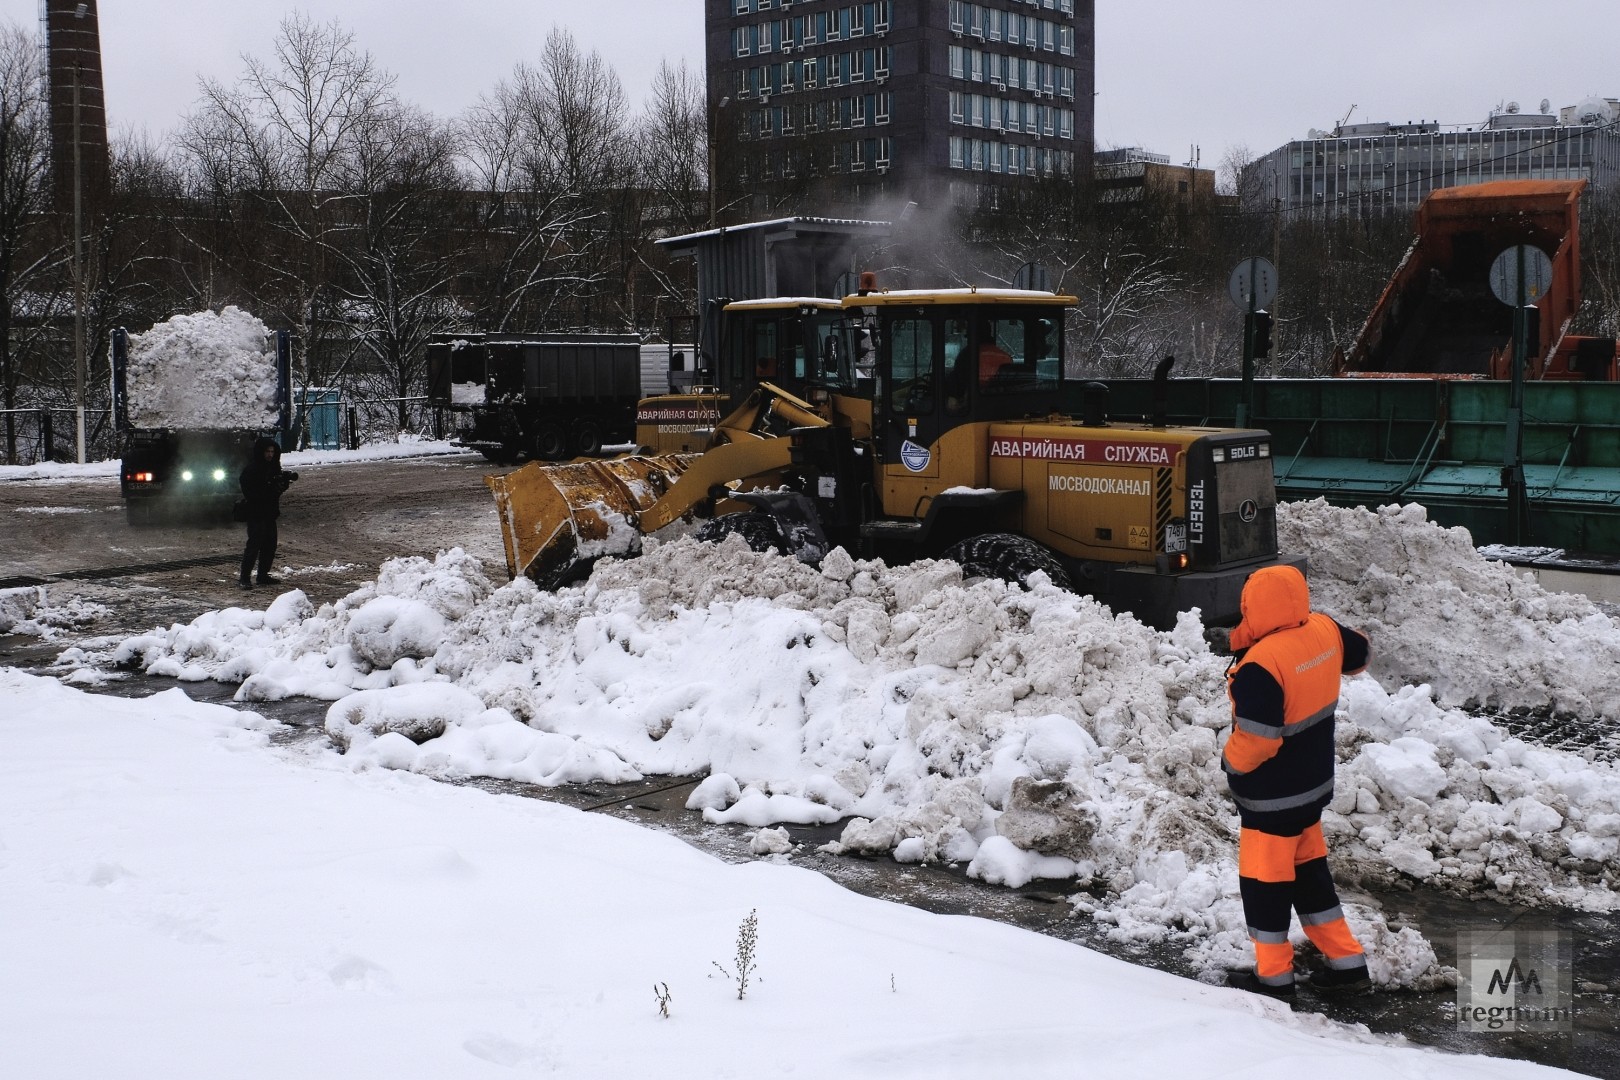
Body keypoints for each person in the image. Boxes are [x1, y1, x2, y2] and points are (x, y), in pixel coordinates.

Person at [1221, 563, 1371, 1000]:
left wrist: (1230, 763)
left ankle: (1274, 979)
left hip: (1272, 799)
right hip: (1313, 788)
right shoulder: (1324, 629)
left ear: (1254, 607)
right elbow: (1359, 653)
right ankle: (1347, 966)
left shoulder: (1261, 664)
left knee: (1264, 886)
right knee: (1309, 878)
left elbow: (1258, 740)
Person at [238, 437, 296, 589]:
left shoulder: (273, 468)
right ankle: (244, 577)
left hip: (269, 513)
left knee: (270, 545)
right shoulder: (252, 469)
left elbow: (274, 492)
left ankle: (262, 575)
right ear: (261, 452)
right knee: (254, 545)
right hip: (256, 512)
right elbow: (249, 489)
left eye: (272, 451)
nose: (270, 455)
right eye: (267, 451)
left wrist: (280, 487)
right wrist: (267, 489)